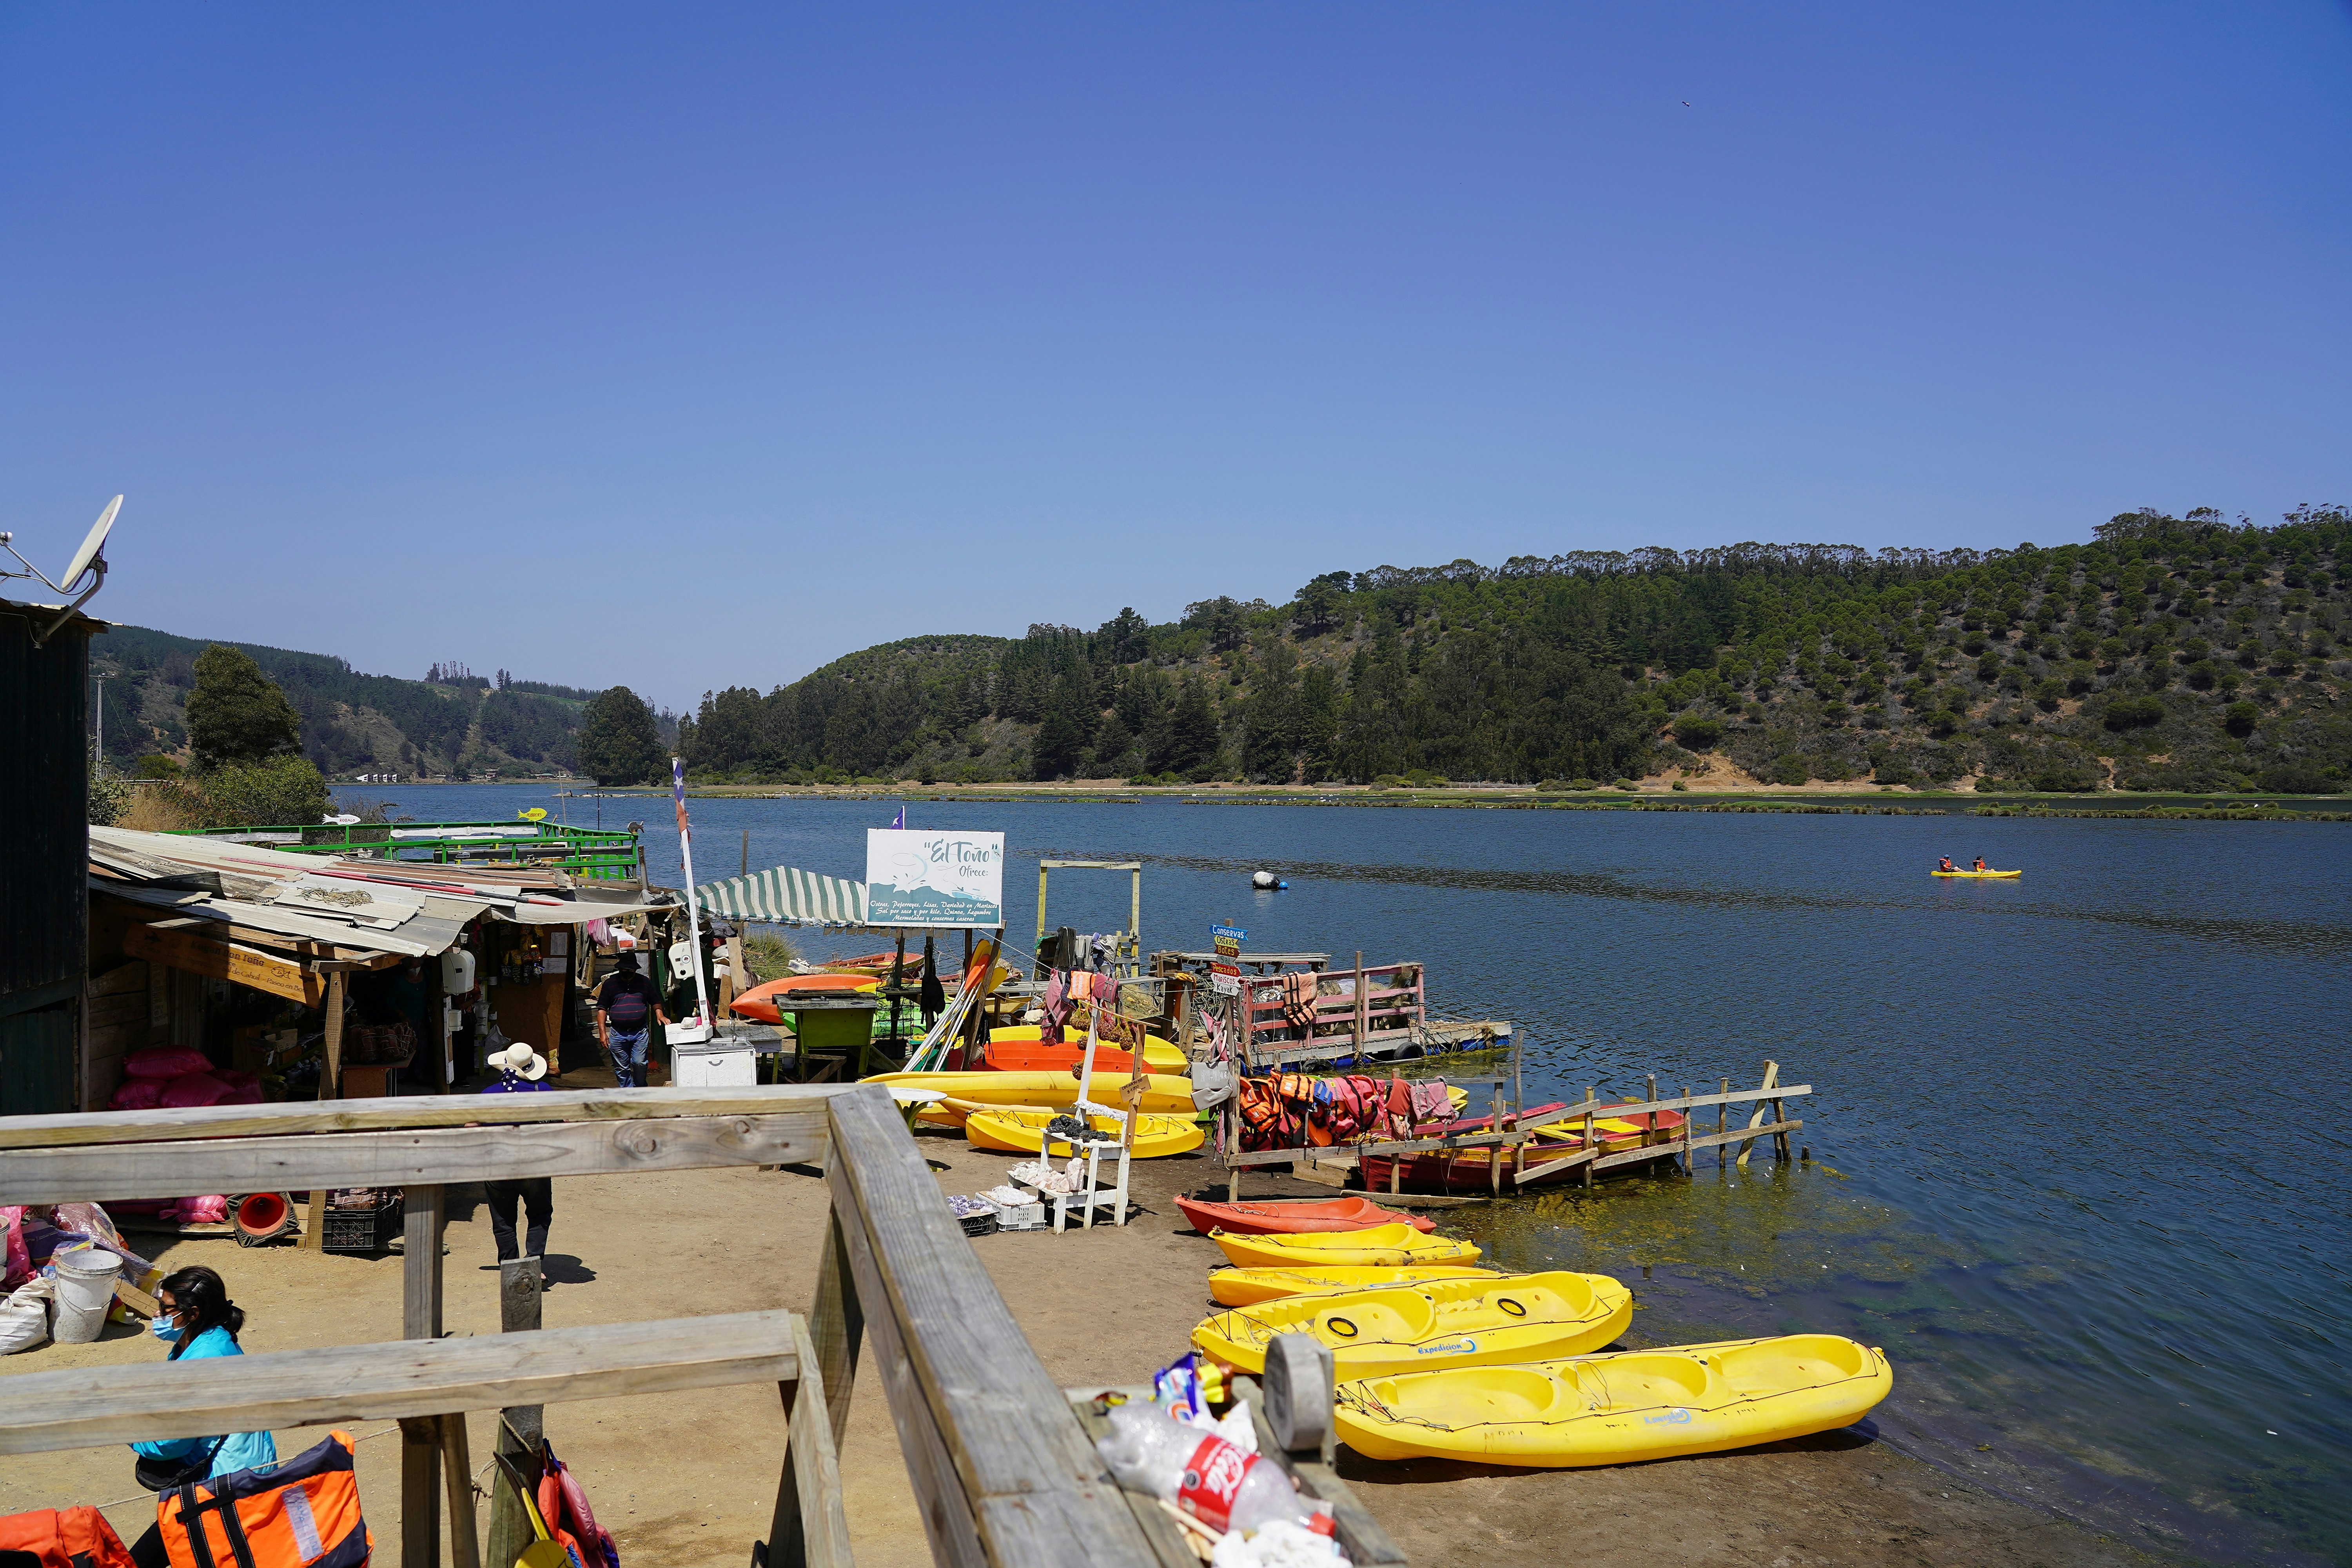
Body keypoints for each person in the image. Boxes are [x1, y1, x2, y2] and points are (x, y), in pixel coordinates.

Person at [126, 1266, 276, 1568]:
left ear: (192, 1314)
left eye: (166, 1308)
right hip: (240, 1472)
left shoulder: (203, 1360)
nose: (158, 1315)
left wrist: (130, 1432)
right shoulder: (212, 1339)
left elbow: (171, 1444)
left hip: (221, 1485)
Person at [481, 1044, 555, 1264]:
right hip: (533, 1164)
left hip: (497, 1166)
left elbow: (471, 1128)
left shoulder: (487, 1094)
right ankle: (534, 1262)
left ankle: (509, 1266)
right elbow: (563, 1125)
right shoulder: (544, 1091)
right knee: (539, 1213)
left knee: (503, 1219)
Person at [594, 952, 667, 1089]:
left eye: (631, 971)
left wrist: (660, 1014)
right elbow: (602, 1009)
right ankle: (628, 1093)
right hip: (618, 1033)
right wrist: (602, 1033)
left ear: (635, 970)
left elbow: (655, 1001)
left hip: (639, 1032)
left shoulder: (644, 982)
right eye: (625, 970)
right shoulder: (610, 984)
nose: (627, 973)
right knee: (622, 1068)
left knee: (640, 1063)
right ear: (620, 969)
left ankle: (639, 1089)